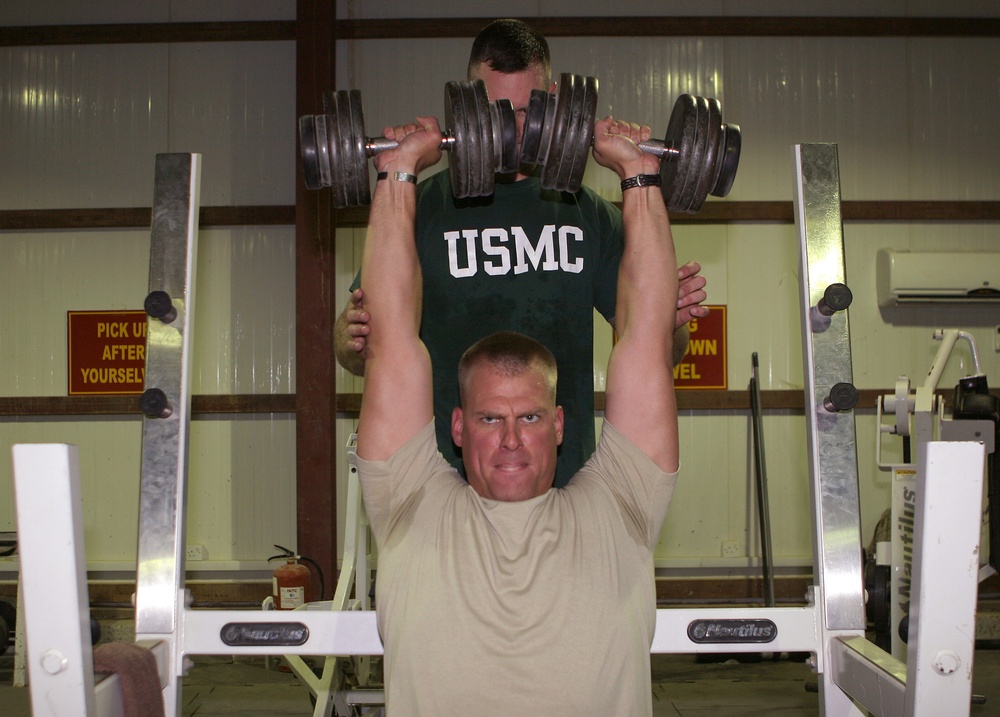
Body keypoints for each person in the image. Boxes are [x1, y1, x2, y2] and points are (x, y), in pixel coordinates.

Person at [353, 102, 678, 714]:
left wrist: (639, 176)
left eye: (528, 417)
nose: (509, 439)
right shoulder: (410, 503)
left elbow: (645, 343)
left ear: (559, 425)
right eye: (488, 418)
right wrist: (397, 174)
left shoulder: (620, 506)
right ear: (455, 425)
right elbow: (392, 341)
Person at [335, 18, 707, 488]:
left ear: (554, 103)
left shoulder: (587, 216)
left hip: (564, 490)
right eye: (496, 111)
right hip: (438, 491)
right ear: (467, 103)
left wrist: (668, 322)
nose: (511, 131)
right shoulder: (417, 210)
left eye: (528, 112)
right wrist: (350, 340)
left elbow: (657, 352)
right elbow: (359, 351)